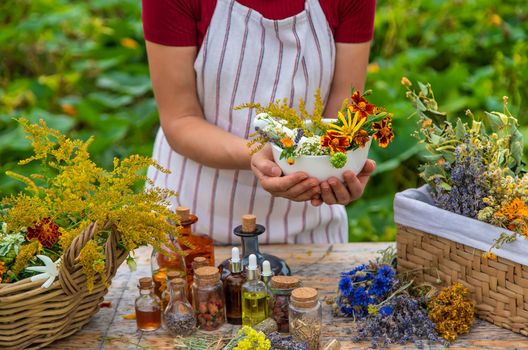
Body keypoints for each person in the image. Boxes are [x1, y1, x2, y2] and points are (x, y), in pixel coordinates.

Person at [142, 0, 377, 244]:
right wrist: (265, 155)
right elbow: (181, 119)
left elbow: (339, 119)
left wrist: (341, 167)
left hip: (310, 226)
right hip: (192, 226)